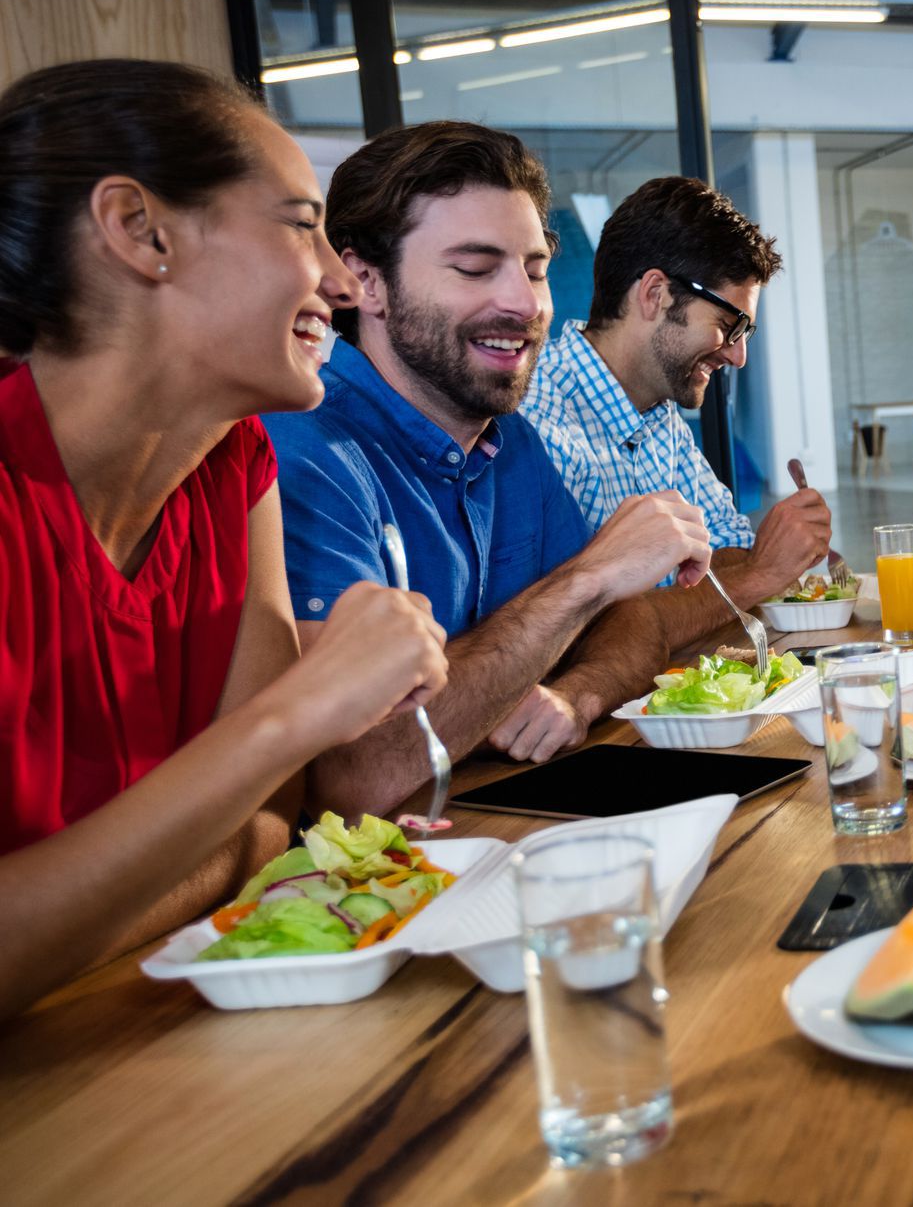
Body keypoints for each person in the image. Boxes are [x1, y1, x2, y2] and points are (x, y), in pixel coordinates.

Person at [0, 60, 450, 1019]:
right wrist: (300, 710)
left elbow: (270, 818)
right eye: (301, 224)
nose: (338, 279)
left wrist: (72, 915)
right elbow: (252, 810)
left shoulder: (234, 463)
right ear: (140, 231)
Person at [264, 122, 713, 809]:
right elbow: (360, 773)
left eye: (535, 269)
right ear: (366, 283)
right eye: (475, 268)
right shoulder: (304, 455)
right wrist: (584, 579)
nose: (526, 303)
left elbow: (630, 623)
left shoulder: (512, 445)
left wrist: (573, 693)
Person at [519, 175, 831, 625]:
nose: (738, 356)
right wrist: (763, 572)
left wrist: (764, 558)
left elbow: (727, 548)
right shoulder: (538, 424)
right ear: (655, 295)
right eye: (728, 324)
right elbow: (585, 631)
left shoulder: (659, 415)